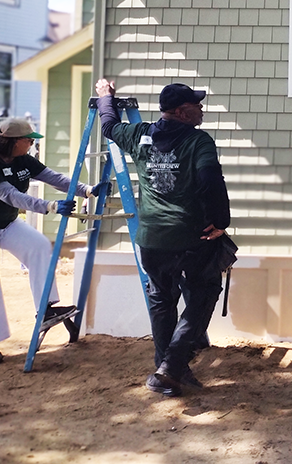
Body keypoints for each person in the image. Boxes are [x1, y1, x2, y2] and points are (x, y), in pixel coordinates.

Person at [95, 78, 230, 398]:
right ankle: (170, 366)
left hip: (152, 237)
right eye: (197, 106)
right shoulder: (198, 142)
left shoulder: (140, 135)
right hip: (190, 235)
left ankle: (167, 369)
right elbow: (211, 179)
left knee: (161, 299)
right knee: (203, 293)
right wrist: (221, 221)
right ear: (183, 112)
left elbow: (110, 127)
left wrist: (105, 97)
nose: (201, 110)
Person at [0, 118, 95, 364]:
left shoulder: (24, 160)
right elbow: (11, 196)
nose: (32, 144)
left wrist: (85, 190)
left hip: (7, 223)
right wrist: (49, 206)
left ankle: (46, 309)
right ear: (13, 142)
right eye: (29, 140)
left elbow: (53, 177)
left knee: (39, 246)